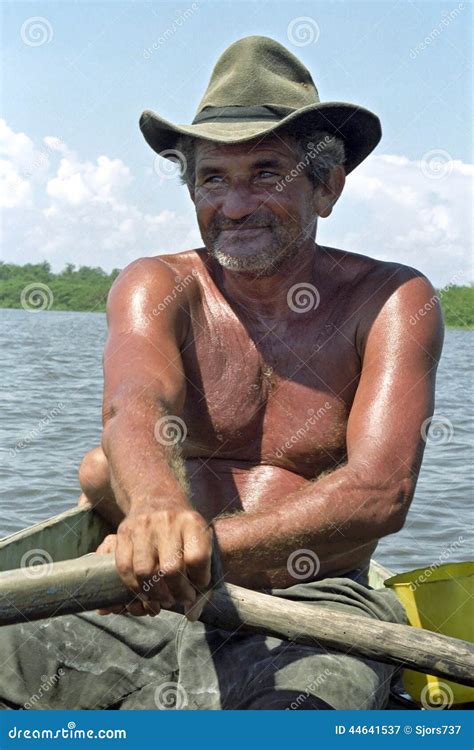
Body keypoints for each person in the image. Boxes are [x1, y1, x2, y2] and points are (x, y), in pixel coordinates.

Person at [1, 35, 443, 711]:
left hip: (313, 609)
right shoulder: (159, 284)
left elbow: (380, 491)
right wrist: (153, 512)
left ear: (326, 186)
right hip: (141, 595)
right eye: (213, 179)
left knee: (313, 708)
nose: (234, 206)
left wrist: (199, 547)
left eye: (267, 174)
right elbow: (136, 402)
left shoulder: (392, 300)